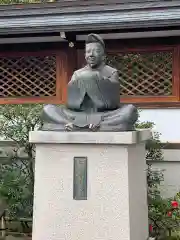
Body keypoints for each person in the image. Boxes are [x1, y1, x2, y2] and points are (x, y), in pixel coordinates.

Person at [42, 33, 138, 131]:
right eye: (88, 52)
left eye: (96, 51)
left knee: (130, 111)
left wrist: (96, 80)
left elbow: (112, 103)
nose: (91, 54)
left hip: (104, 115)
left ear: (103, 56)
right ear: (85, 55)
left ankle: (85, 126)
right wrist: (79, 83)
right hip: (77, 115)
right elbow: (71, 104)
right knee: (48, 109)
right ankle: (72, 124)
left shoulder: (111, 72)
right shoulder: (77, 73)